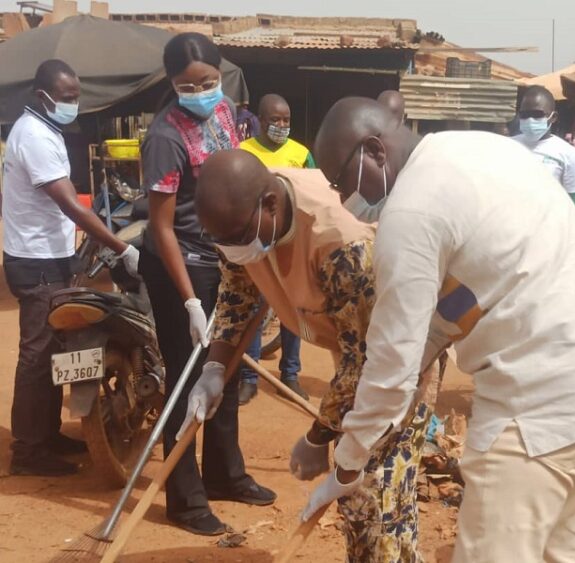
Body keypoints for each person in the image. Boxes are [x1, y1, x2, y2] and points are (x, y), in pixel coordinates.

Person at [306, 97, 575, 562]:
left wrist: (347, 463)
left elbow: (391, 366)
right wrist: (422, 352)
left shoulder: (409, 214)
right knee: (559, 553)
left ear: (375, 151)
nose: (344, 200)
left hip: (541, 416)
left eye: (341, 181)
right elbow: (474, 293)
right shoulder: (484, 149)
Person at [180, 149, 440, 561]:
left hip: (401, 355)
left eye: (234, 239)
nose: (229, 249)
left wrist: (318, 437)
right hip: (354, 347)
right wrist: (215, 365)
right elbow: (236, 292)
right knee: (357, 495)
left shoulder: (341, 244)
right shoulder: (240, 214)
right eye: (220, 241)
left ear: (270, 205)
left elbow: (367, 363)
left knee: (375, 491)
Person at [138, 33, 275, 537]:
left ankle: (225, 474)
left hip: (224, 259)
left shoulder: (222, 115)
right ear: (172, 85)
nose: (200, 91)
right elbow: (162, 227)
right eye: (188, 85)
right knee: (186, 376)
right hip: (181, 265)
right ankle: (185, 498)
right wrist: (191, 301)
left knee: (227, 368)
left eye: (209, 81)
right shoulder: (164, 138)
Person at [2, 59, 140, 476]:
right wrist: (120, 245)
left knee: (52, 349)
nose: (73, 104)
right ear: (42, 95)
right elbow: (65, 200)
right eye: (66, 98)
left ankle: (44, 435)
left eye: (77, 97)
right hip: (36, 259)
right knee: (38, 352)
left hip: (50, 255)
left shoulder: (46, 129)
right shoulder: (35, 137)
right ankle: (28, 451)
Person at [237, 93, 312, 404]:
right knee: (254, 309)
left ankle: (290, 374)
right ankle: (249, 378)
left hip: (290, 241)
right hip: (255, 242)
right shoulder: (244, 152)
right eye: (275, 120)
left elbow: (313, 192)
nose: (281, 126)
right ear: (261, 120)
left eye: (286, 121)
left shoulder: (301, 153)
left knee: (291, 310)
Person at [514, 86, 575, 218]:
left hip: (548, 231)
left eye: (537, 115)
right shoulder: (507, 145)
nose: (530, 120)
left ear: (553, 117)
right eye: (524, 115)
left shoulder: (569, 155)